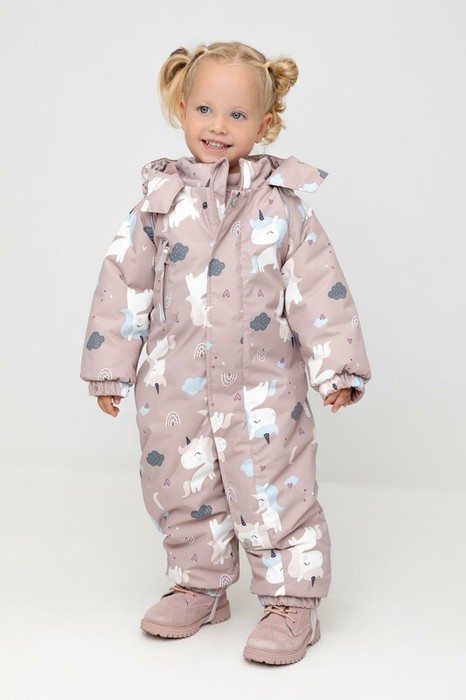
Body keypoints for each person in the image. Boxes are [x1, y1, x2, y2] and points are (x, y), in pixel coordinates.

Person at [80, 41, 371, 665]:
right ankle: (199, 584)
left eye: (237, 114)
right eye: (205, 109)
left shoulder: (284, 207)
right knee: (179, 483)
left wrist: (338, 367)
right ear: (181, 108)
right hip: (173, 384)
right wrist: (109, 368)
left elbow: (320, 288)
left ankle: (292, 601)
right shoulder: (159, 203)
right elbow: (122, 284)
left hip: (264, 386)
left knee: (277, 485)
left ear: (265, 123)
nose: (218, 126)